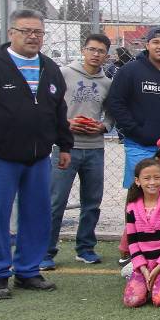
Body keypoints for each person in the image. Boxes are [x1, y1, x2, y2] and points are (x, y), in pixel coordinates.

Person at [0, 8, 72, 299]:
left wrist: (65, 145)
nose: (33, 37)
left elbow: (58, 111)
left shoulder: (49, 67)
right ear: (11, 33)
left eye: (38, 32)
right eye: (26, 31)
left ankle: (28, 270)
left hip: (38, 158)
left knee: (37, 215)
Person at [43, 33, 114, 270]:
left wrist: (103, 126)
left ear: (106, 55)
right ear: (83, 50)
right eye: (92, 49)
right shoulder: (63, 74)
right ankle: (46, 252)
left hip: (94, 148)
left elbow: (111, 112)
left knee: (92, 202)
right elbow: (48, 105)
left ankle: (85, 248)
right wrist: (65, 124)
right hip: (66, 147)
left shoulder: (107, 83)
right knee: (56, 201)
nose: (96, 54)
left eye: (101, 51)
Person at [105, 26, 160, 189]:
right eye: (155, 42)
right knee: (138, 192)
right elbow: (116, 102)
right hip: (138, 145)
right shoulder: (129, 71)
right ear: (147, 45)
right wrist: (136, 131)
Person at [122, 158, 160, 308]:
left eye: (157, 178)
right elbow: (133, 241)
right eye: (147, 178)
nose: (152, 182)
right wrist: (142, 267)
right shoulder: (131, 207)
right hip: (143, 263)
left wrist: (158, 267)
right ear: (137, 181)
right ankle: (137, 275)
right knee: (132, 301)